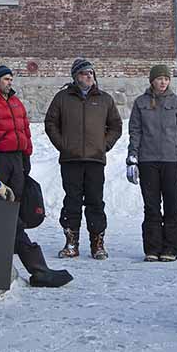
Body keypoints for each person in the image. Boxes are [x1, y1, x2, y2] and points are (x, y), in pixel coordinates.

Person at [0, 65, 73, 287]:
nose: (9, 82)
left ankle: (13, 250)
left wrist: (27, 154)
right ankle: (34, 265)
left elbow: (24, 128)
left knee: (16, 205)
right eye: (5, 79)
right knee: (4, 208)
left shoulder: (15, 102)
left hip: (17, 158)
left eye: (11, 79)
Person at [45, 58, 122, 260]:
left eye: (90, 73)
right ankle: (71, 243)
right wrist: (63, 145)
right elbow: (51, 123)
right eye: (83, 73)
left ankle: (97, 244)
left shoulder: (105, 99)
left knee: (96, 202)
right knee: (72, 201)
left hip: (95, 160)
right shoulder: (62, 98)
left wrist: (103, 146)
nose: (88, 76)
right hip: (71, 160)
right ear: (75, 77)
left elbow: (116, 126)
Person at [126, 64, 177, 262]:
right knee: (152, 206)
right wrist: (132, 158)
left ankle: (172, 247)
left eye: (166, 78)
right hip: (148, 161)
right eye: (159, 78)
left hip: (171, 160)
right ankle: (152, 248)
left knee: (172, 205)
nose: (163, 82)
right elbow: (135, 131)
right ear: (152, 80)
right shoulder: (140, 103)